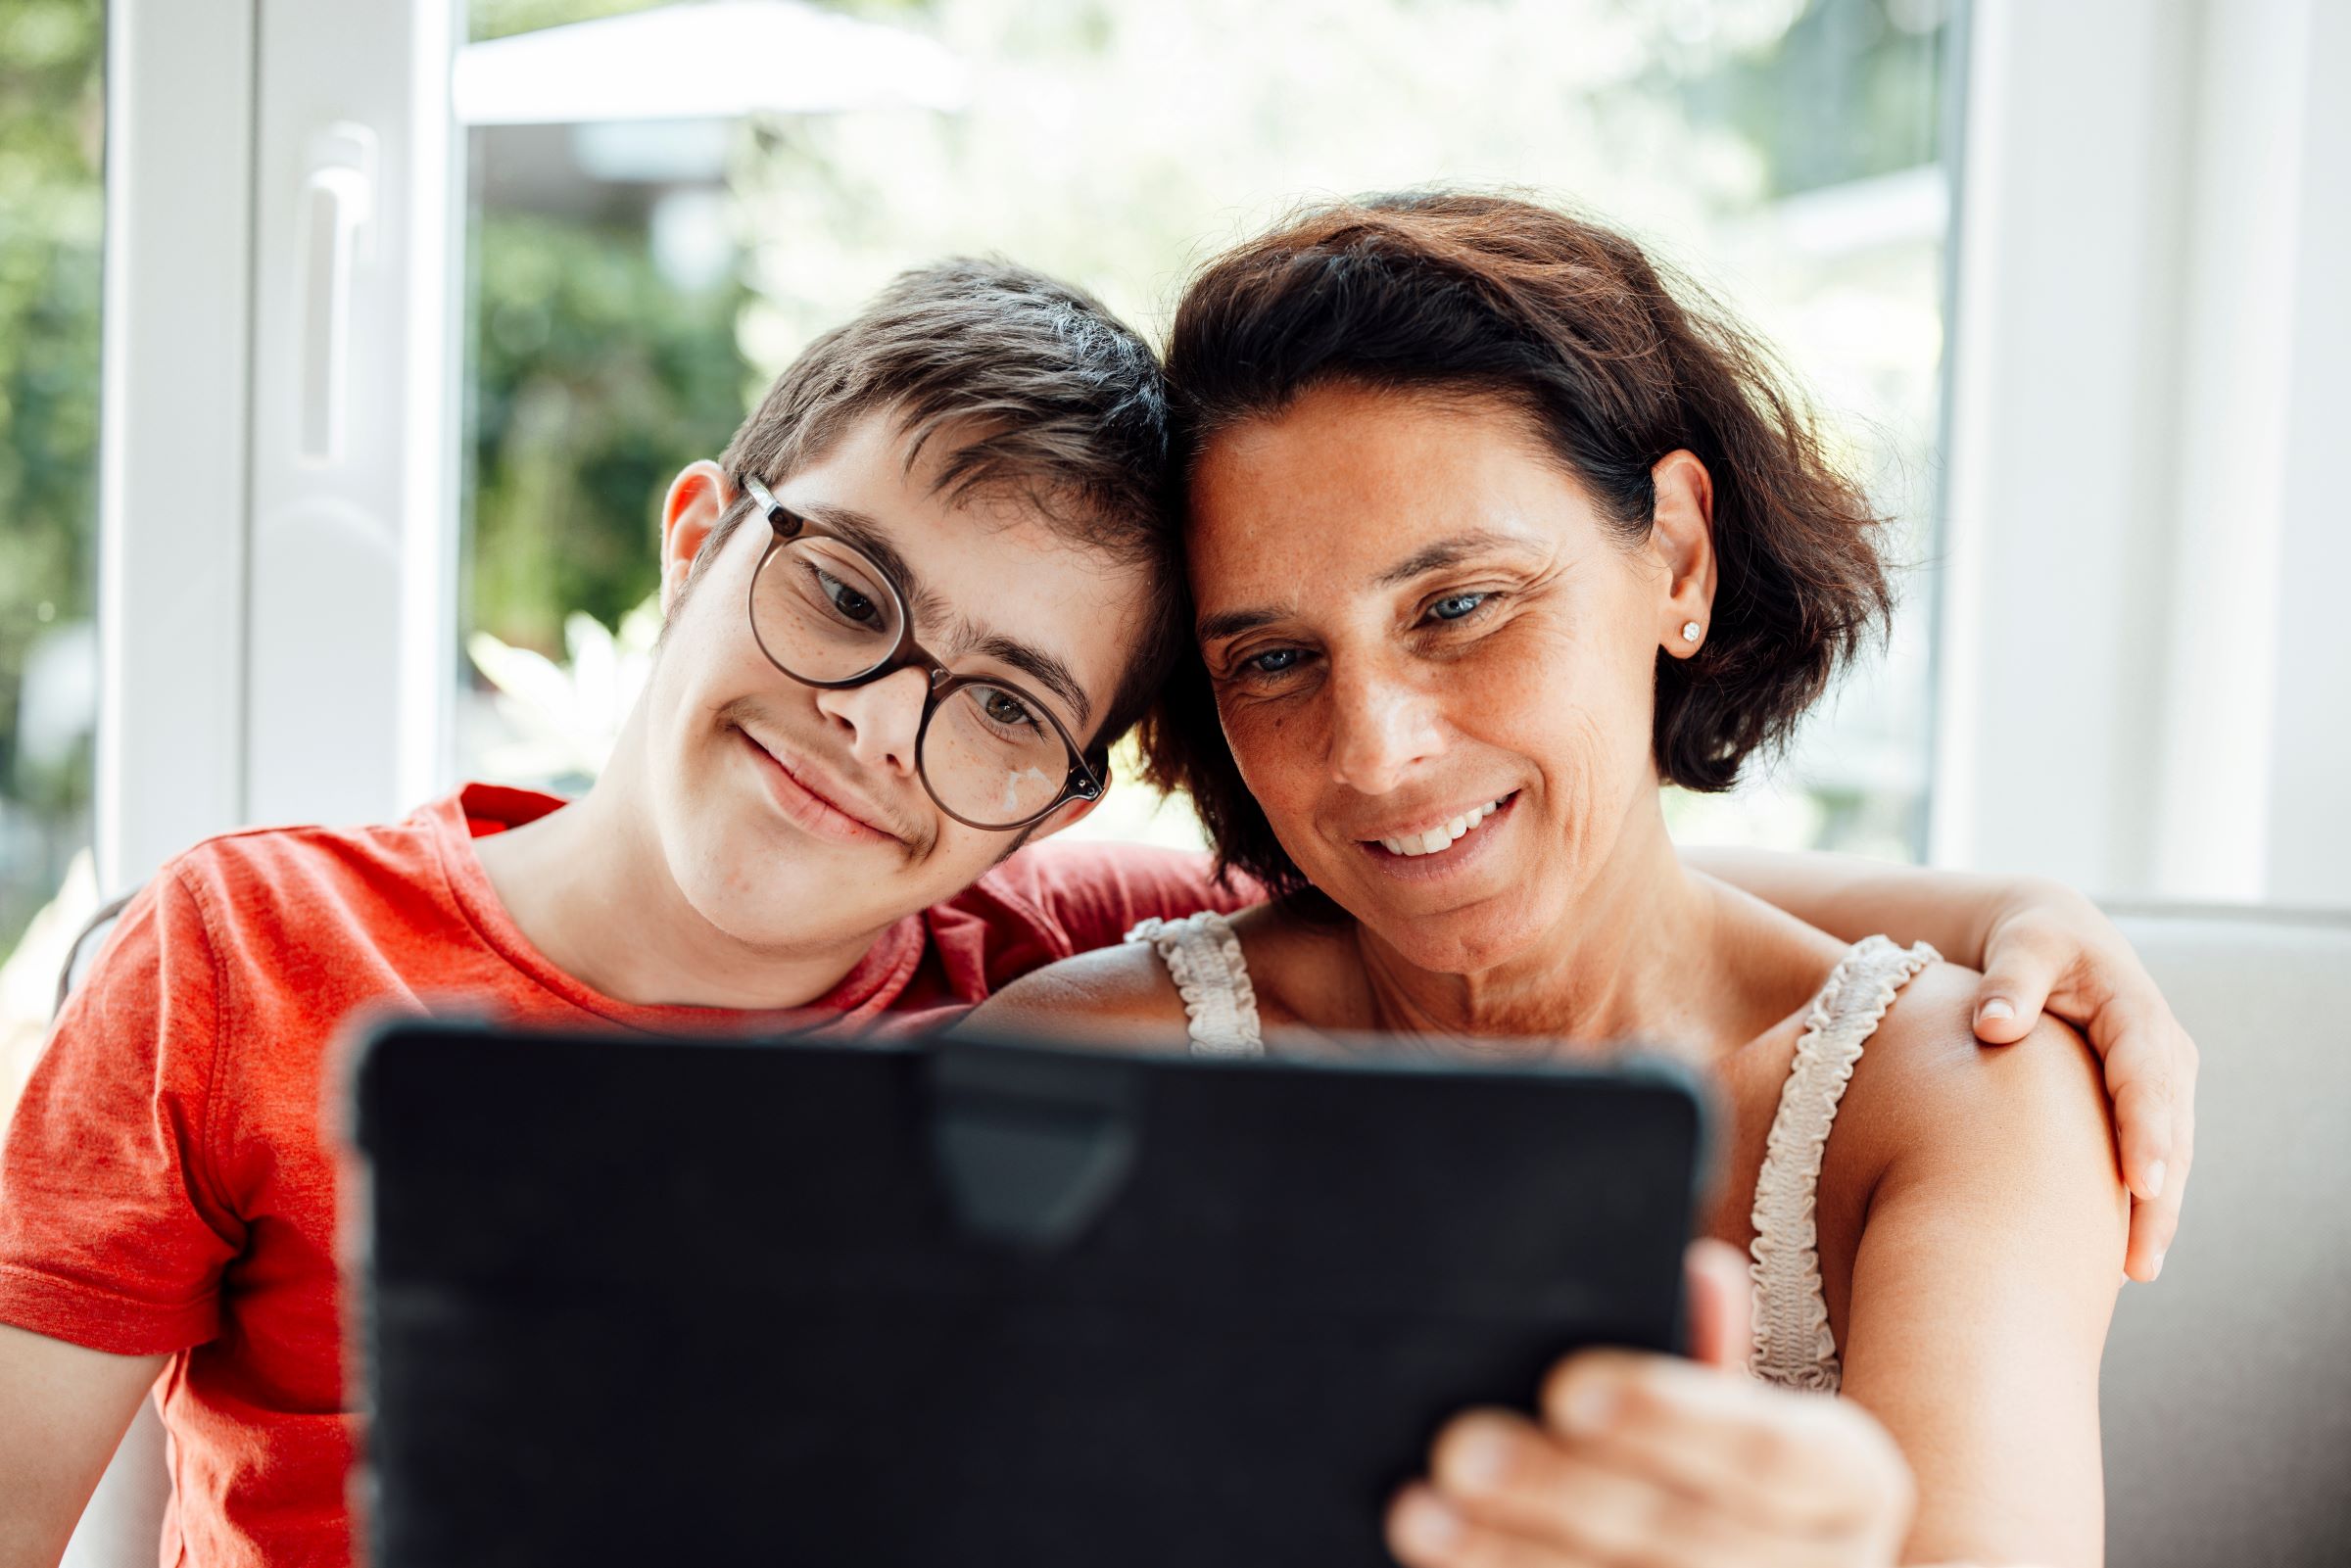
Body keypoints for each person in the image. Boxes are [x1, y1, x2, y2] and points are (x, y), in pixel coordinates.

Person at [0, 256, 2185, 1568]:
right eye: (840, 593)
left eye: (1003, 709)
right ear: (696, 536)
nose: (875, 729)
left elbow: (1508, 888)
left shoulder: (1040, 955)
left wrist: (2004, 911)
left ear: (1060, 792)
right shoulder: (256, 949)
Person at [970, 194, 2149, 1566]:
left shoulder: (1959, 1093)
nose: (1377, 751)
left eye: (1458, 605)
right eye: (1276, 660)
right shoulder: (1080, 1073)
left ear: (1679, 558)